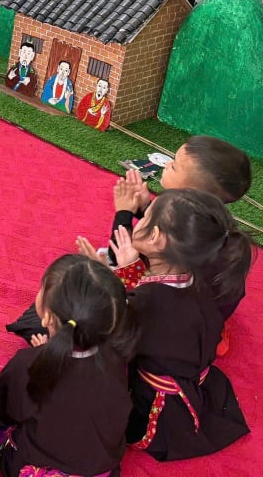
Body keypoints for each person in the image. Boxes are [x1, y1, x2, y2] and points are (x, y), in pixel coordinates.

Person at [8, 135, 253, 346]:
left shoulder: (157, 279)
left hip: (148, 315)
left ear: (193, 191)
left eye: (175, 167)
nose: (166, 165)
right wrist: (145, 208)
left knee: (56, 306)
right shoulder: (207, 224)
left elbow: (121, 259)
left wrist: (124, 212)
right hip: (183, 307)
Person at [108, 190, 253, 460]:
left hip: (157, 407)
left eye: (146, 216)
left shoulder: (148, 300)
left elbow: (117, 334)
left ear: (155, 238)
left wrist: (125, 273)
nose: (140, 221)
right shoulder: (198, 278)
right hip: (189, 377)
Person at [0, 255, 134, 477]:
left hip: (40, 466)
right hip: (102, 468)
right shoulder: (117, 358)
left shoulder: (28, 363)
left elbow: (4, 411)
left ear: (46, 317)